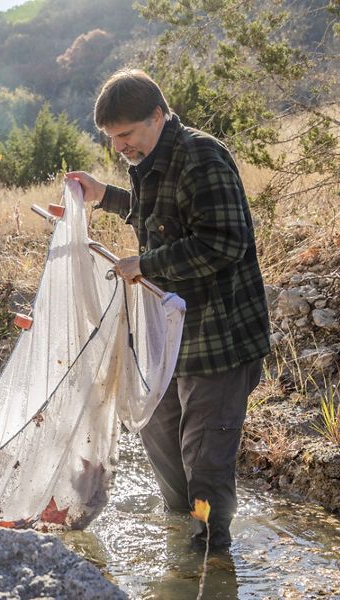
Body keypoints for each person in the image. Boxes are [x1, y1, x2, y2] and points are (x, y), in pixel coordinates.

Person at [67, 69, 270, 550]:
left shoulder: (202, 155)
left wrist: (145, 264)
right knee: (165, 452)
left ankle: (213, 563)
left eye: (126, 135)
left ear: (157, 116)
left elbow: (225, 243)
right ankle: (186, 554)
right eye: (112, 138)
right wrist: (104, 196)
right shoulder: (151, 159)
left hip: (219, 344)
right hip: (168, 344)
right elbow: (161, 215)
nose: (119, 147)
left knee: (206, 466)